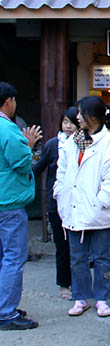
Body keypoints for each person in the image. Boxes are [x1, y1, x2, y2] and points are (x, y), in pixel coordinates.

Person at [54, 96, 110, 318]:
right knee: (77, 257)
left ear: (93, 116)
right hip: (74, 207)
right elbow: (62, 170)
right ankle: (81, 298)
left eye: (81, 113)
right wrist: (60, 192)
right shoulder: (72, 142)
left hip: (99, 211)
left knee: (101, 257)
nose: (77, 117)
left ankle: (102, 299)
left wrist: (101, 201)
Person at [0, 82, 42, 330]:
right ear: (9, 101)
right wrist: (29, 145)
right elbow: (22, 163)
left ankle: (3, 305)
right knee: (13, 258)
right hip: (9, 202)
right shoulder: (8, 129)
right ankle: (5, 312)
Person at [32, 107, 79, 301]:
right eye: (65, 122)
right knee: (62, 246)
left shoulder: (85, 144)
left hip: (78, 202)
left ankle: (80, 284)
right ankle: (64, 284)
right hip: (56, 202)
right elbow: (38, 168)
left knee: (79, 247)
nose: (68, 126)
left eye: (72, 123)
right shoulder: (53, 145)